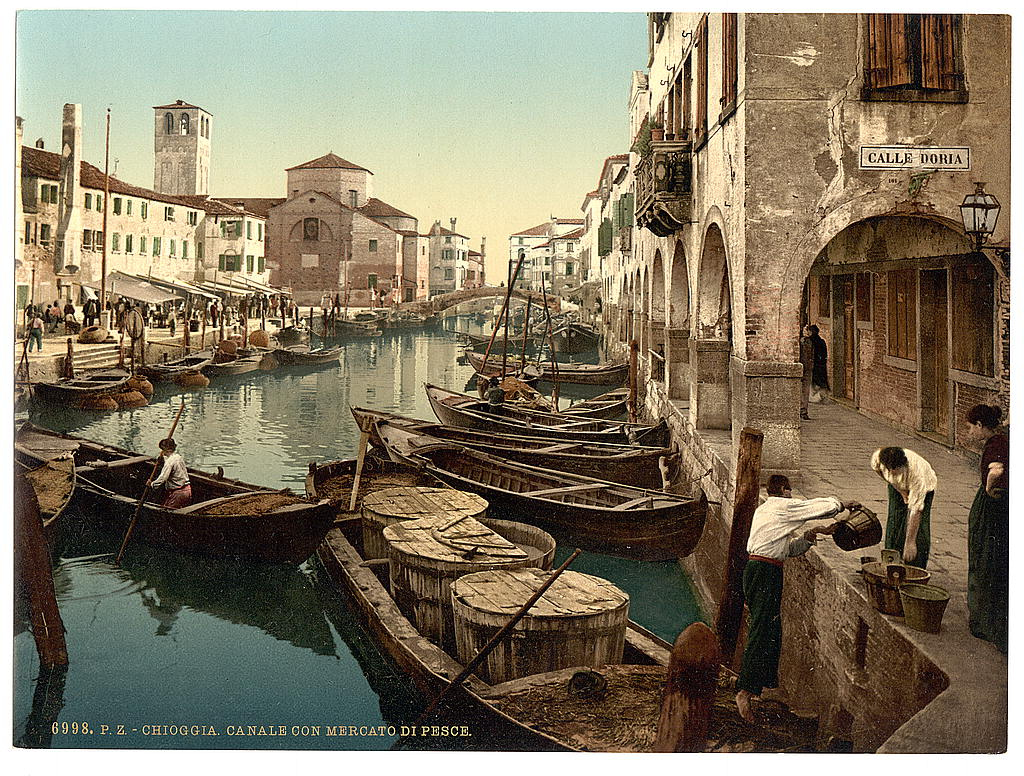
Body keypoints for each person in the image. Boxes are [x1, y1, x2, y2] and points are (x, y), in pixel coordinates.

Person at [735, 475, 856, 723]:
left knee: (772, 627)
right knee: (760, 628)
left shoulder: (766, 511)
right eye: (789, 491)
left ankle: (767, 684)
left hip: (763, 570)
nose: (791, 495)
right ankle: (745, 691)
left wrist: (811, 535)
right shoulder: (781, 505)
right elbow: (815, 507)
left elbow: (787, 550)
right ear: (784, 490)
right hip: (764, 572)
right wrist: (841, 504)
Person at [964, 404, 1008, 653]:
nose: (970, 433)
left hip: (991, 505)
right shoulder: (1003, 439)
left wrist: (989, 489)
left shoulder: (995, 444)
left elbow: (997, 470)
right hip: (999, 506)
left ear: (981, 426)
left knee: (984, 557)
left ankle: (982, 621)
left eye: (971, 428)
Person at [871, 446, 936, 568]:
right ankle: (891, 561)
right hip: (897, 487)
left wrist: (910, 543)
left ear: (903, 466)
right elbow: (878, 470)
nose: (891, 473)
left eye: (895, 470)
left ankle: (915, 565)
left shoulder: (918, 475)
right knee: (894, 520)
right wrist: (900, 491)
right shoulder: (878, 457)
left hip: (923, 489)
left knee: (919, 528)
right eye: (889, 470)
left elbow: (916, 511)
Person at [151, 438, 192, 508]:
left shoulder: (169, 462)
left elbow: (163, 478)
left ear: (166, 450)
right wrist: (163, 459)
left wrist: (152, 484)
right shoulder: (178, 457)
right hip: (187, 490)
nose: (162, 452)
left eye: (163, 450)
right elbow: (170, 461)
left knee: (165, 512)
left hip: (178, 493)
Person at [807, 324, 829, 402]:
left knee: (814, 381)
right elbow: (825, 354)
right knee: (820, 381)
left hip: (814, 364)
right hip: (821, 364)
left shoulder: (809, 341)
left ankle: (815, 397)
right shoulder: (822, 341)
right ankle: (819, 396)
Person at [798, 326, 814, 420]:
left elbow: (811, 355)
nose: (807, 332)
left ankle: (804, 410)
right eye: (805, 330)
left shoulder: (809, 342)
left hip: (807, 369)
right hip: (801, 367)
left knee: (805, 390)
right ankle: (801, 410)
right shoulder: (800, 342)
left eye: (808, 330)